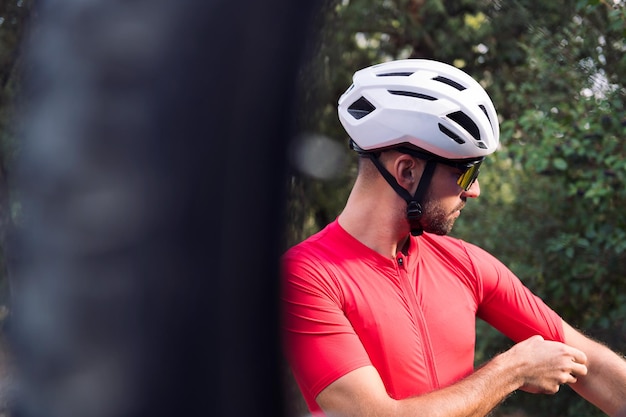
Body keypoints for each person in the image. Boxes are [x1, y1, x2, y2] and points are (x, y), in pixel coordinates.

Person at [281, 59, 626, 417]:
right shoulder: (306, 277)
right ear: (407, 171)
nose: (474, 190)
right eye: (465, 173)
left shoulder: (464, 262)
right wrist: (512, 370)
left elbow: (590, 362)